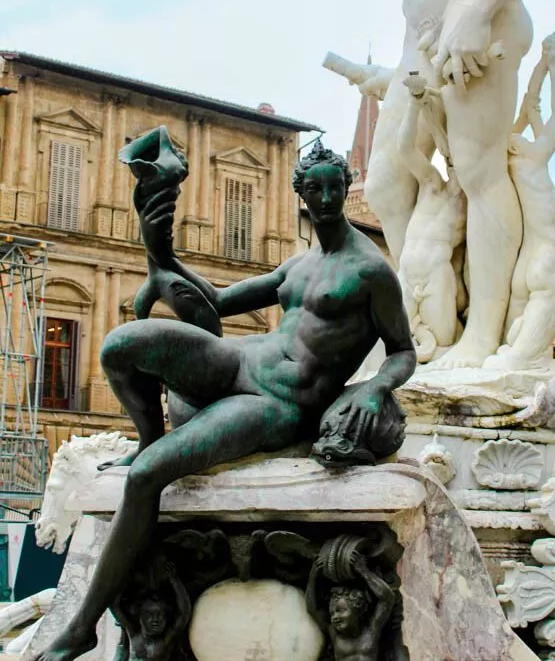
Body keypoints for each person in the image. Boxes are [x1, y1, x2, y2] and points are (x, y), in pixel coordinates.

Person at [34, 141, 416, 661]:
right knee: (120, 346)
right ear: (301, 194)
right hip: (238, 361)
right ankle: (150, 433)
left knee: (148, 475)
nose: (326, 197)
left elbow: (402, 352)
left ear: (345, 191)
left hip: (277, 403)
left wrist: (374, 387)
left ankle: (79, 629)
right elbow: (215, 302)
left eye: (335, 187)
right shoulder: (296, 267)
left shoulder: (372, 272)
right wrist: (159, 251)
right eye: (316, 188)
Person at [339, 0, 542, 368]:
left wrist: (476, 13)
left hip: (482, 14)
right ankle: (428, 322)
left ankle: (480, 338)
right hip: (417, 37)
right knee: (384, 183)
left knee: (478, 170)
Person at [491, 25, 555, 370]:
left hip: (522, 263)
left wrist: (542, 63)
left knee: (508, 351)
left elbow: (530, 104)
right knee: (521, 360)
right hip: (547, 256)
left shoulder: (502, 160)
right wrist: (554, 67)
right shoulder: (535, 157)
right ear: (516, 144)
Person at [396, 74, 467, 361]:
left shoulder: (473, 204)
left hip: (437, 276)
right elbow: (404, 148)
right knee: (397, 342)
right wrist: (414, 104)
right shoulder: (431, 183)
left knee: (441, 344)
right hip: (407, 273)